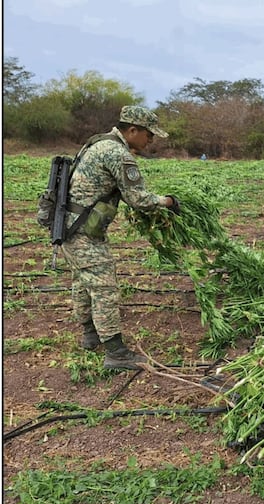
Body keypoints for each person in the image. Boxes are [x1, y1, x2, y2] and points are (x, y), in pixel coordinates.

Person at [61, 105, 181, 370]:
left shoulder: (98, 143)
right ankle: (116, 353)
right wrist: (168, 201)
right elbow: (139, 200)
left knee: (83, 282)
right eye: (149, 134)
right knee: (103, 287)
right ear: (133, 130)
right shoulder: (118, 153)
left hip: (70, 227)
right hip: (83, 231)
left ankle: (90, 336)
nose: (151, 140)